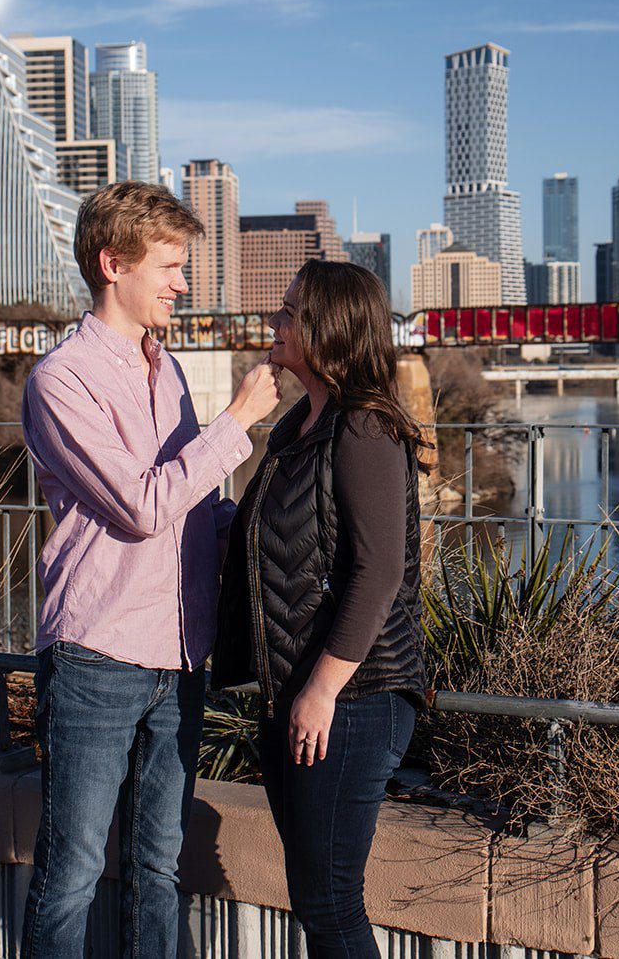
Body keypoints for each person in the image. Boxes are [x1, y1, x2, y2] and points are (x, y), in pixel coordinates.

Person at [20, 181, 281, 958]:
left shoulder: (164, 369)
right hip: (97, 652)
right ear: (112, 262)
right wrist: (237, 422)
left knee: (159, 865)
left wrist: (270, 532)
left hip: (180, 652)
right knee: (70, 871)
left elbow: (189, 506)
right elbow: (140, 505)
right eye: (170, 265)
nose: (183, 282)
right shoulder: (60, 380)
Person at [212, 260, 429, 959]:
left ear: (326, 326)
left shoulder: (364, 427)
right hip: (298, 692)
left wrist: (321, 689)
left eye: (288, 311)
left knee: (329, 901)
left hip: (352, 696)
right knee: (314, 894)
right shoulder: (295, 427)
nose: (275, 322)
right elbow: (257, 541)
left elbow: (379, 572)